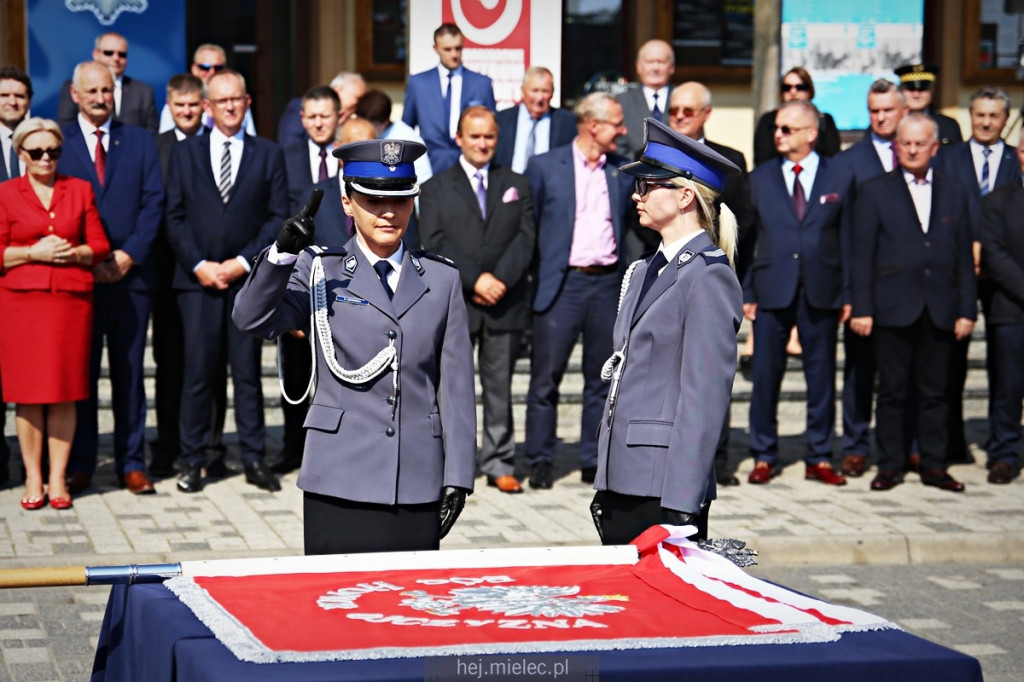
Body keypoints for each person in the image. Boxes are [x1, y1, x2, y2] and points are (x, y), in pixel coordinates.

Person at [232, 138, 477, 554]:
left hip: (415, 476)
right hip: (338, 473)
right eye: (373, 199)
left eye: (400, 200)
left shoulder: (442, 279)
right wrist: (280, 255)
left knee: (410, 611)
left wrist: (458, 475)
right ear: (347, 202)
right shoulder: (318, 269)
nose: (388, 211)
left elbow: (455, 385)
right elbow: (251, 318)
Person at [590, 117, 742, 544]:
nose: (636, 194)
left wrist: (683, 500)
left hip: (665, 487)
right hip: (625, 478)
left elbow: (703, 398)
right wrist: (605, 478)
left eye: (649, 185)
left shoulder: (708, 276)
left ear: (685, 196)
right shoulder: (643, 271)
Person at [164, 69, 288, 494]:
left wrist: (240, 263)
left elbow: (276, 217)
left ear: (247, 102)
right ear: (207, 107)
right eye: (221, 101)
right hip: (196, 282)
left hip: (246, 282)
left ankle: (253, 457)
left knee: (247, 373)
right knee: (198, 373)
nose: (230, 107)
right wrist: (199, 264)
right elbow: (174, 216)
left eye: (237, 99)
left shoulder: (269, 154)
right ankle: (193, 459)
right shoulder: (184, 154)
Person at [849, 113, 975, 493]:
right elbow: (862, 255)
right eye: (906, 143)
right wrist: (863, 307)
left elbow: (964, 258)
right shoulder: (873, 190)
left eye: (921, 143)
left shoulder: (955, 190)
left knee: (936, 392)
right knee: (892, 392)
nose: (913, 149)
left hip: (941, 306)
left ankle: (935, 465)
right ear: (895, 147)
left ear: (935, 148)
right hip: (891, 307)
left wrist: (967, 309)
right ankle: (890, 465)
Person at [59, 61, 164, 496]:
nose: (102, 97)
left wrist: (126, 255)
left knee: (129, 373)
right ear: (75, 93)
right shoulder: (56, 142)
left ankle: (132, 463)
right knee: (80, 373)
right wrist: (88, 259)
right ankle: (81, 462)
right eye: (93, 91)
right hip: (78, 279)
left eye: (108, 90)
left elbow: (154, 201)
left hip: (130, 276)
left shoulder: (139, 140)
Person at [420, 106, 535, 494]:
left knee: (499, 387)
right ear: (459, 138)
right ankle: (452, 463)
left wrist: (500, 279)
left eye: (489, 136)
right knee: (451, 388)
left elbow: (526, 236)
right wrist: (475, 279)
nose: (482, 143)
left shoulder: (516, 182)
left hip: (505, 300)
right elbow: (433, 241)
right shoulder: (435, 187)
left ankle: (499, 461)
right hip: (456, 303)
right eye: (475, 136)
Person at [524, 92, 634, 489]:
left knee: (601, 378)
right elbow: (530, 226)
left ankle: (593, 458)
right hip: (562, 284)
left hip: (606, 283)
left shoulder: (622, 170)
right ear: (593, 125)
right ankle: (539, 459)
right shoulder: (543, 167)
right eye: (616, 124)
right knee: (544, 379)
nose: (622, 131)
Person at [0, 117, 110, 509]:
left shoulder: (78, 190)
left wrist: (73, 251)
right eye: (37, 152)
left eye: (53, 151)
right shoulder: (5, 193)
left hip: (69, 305)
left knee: (65, 393)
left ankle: (58, 478)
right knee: (28, 396)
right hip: (21, 305)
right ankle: (32, 476)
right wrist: (33, 252)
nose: (46, 158)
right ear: (21, 154)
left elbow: (98, 244)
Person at [745, 100, 848, 487]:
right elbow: (748, 242)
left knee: (821, 378)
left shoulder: (839, 175)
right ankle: (763, 453)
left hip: (823, 290)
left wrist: (850, 293)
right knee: (765, 379)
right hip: (772, 291)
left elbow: (849, 237)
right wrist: (748, 291)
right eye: (776, 128)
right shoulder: (761, 178)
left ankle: (819, 455)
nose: (777, 134)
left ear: (811, 133)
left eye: (787, 128)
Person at [665, 81, 754, 486]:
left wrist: (737, 282)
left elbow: (745, 225)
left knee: (709, 370)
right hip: (665, 279)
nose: (680, 117)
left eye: (687, 110)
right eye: (674, 110)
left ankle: (714, 460)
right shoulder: (657, 159)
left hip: (709, 278)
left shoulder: (729, 161)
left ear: (706, 113)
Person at [831, 78, 908, 478]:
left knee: (903, 373)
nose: (880, 117)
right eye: (874, 110)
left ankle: (903, 446)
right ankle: (856, 445)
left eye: (887, 110)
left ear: (903, 110)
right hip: (863, 285)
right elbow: (842, 233)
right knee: (860, 372)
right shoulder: (848, 162)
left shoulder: (922, 157)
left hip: (910, 289)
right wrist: (849, 292)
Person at [939, 86, 1017, 467]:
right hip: (958, 271)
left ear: (1005, 119)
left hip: (1005, 277)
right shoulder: (948, 157)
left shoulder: (1017, 162)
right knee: (952, 361)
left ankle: (1002, 445)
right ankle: (952, 442)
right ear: (971, 116)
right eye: (980, 114)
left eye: (994, 115)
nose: (986, 122)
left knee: (1004, 366)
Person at [275, 85, 343, 474]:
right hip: (298, 281)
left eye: (325, 116)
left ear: (339, 118)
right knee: (297, 370)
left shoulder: (347, 158)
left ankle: (335, 451)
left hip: (342, 282)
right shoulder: (284, 159)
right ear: (302, 119)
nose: (318, 123)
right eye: (311, 116)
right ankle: (293, 449)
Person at [151, 73, 209, 477]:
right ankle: (166, 443)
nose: (186, 112)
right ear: (169, 106)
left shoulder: (216, 145)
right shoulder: (155, 147)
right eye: (179, 105)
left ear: (202, 106)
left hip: (207, 270)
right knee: (169, 363)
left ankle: (209, 445)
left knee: (205, 363)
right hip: (165, 272)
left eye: (192, 105)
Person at [978, 135, 1024, 484]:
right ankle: (1004, 454)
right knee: (1007, 388)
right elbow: (993, 253)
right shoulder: (996, 201)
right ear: (1018, 154)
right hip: (1011, 310)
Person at [402, 23, 496, 174]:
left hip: (471, 166)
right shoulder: (418, 83)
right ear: (436, 48)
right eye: (447, 49)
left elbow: (492, 127)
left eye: (458, 48)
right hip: (430, 166)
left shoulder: (481, 84)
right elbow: (406, 129)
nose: (454, 54)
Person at [0, 65, 33, 484]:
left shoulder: (41, 144)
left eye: (19, 96)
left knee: (28, 380)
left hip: (32, 292)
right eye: (4, 95)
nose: (11, 102)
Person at [56, 32, 158, 132]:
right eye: (109, 53)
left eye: (122, 54)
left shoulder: (143, 91)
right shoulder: (76, 85)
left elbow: (151, 134)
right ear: (96, 54)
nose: (116, 58)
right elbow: (66, 128)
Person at [158, 44, 256, 136]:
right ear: (194, 69)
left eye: (218, 68)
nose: (212, 72)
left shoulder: (236, 103)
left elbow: (250, 139)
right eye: (205, 67)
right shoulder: (179, 105)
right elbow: (166, 141)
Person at [753, 67, 840, 169]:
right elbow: (762, 159)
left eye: (800, 87)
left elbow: (833, 157)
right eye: (787, 87)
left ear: (810, 91)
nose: (793, 92)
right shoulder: (768, 120)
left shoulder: (824, 120)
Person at [495, 66, 577, 173]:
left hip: (549, 186)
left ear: (552, 93)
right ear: (523, 91)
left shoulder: (568, 122)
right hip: (510, 185)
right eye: (534, 91)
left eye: (545, 91)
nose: (539, 98)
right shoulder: (501, 120)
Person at [616, 40, 675, 160]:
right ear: (639, 66)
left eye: (661, 62)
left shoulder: (683, 99)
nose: (655, 68)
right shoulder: (622, 101)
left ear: (672, 67)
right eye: (650, 62)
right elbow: (617, 145)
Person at [278, 72, 366, 150]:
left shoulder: (351, 118)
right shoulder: (298, 107)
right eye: (358, 98)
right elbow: (290, 149)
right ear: (338, 91)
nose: (318, 124)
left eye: (325, 116)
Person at [894, 63, 963, 146]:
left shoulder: (948, 126)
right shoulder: (893, 124)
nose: (916, 95)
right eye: (910, 89)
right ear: (901, 91)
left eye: (922, 89)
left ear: (932, 90)